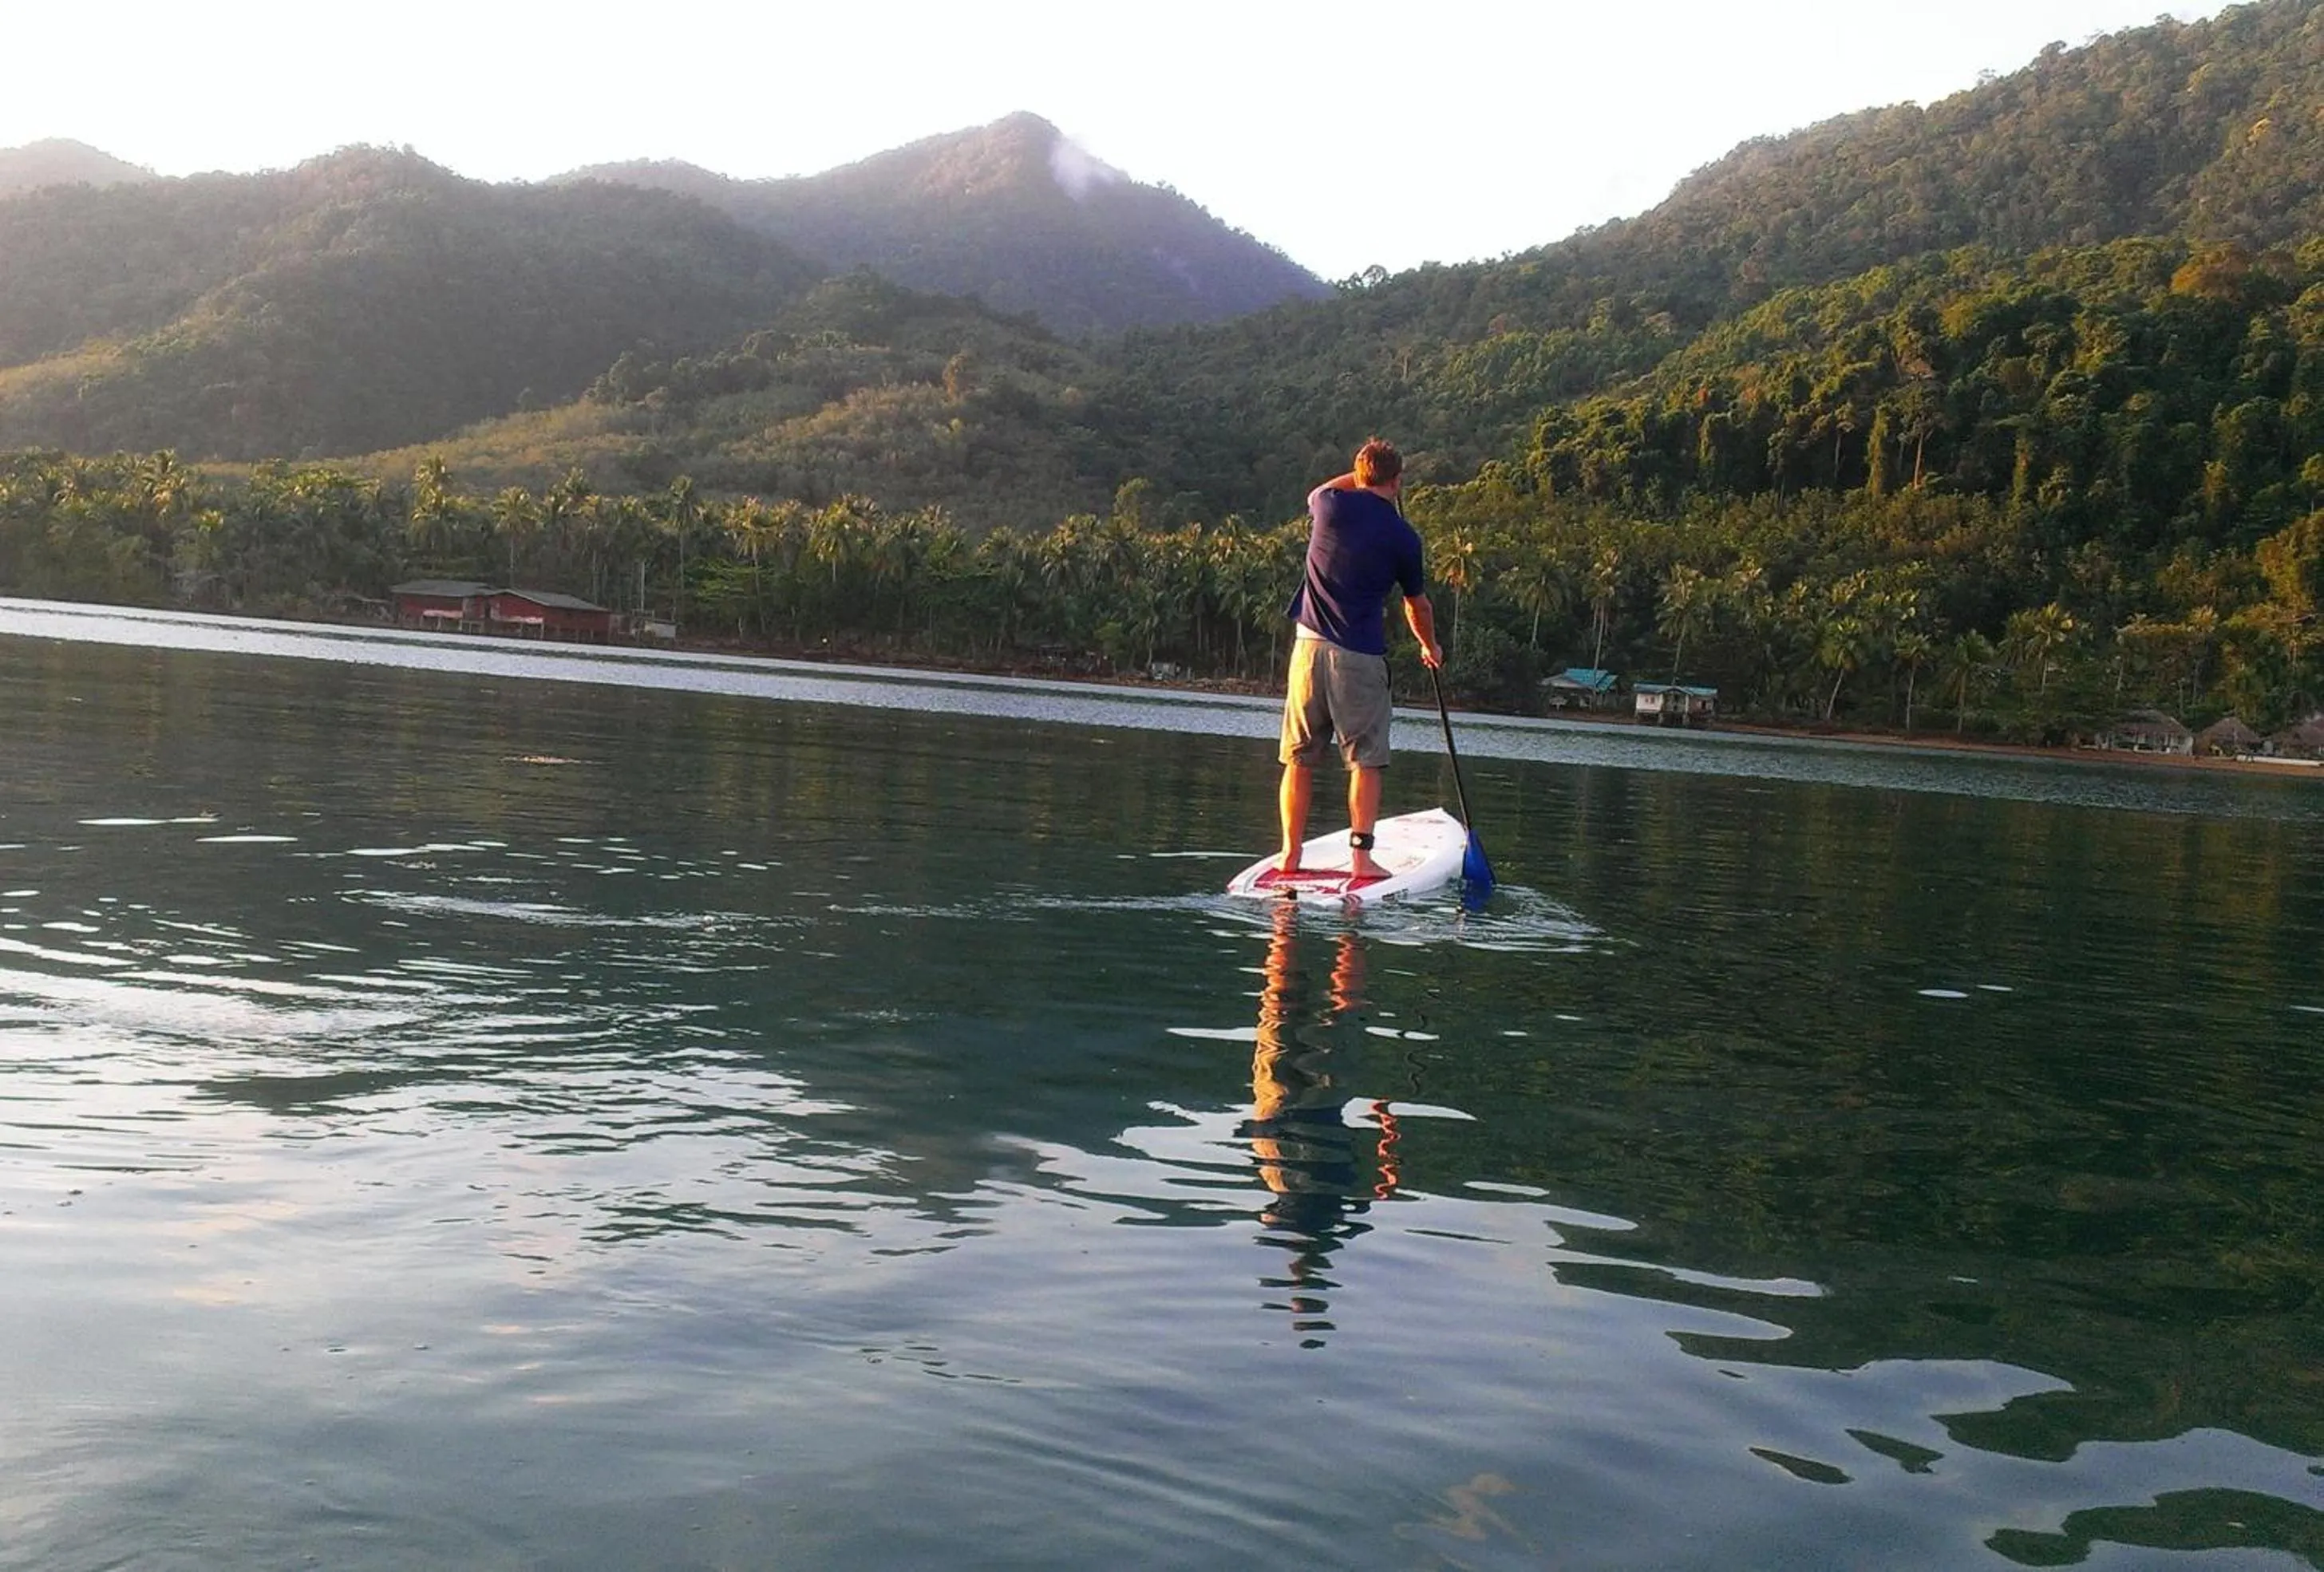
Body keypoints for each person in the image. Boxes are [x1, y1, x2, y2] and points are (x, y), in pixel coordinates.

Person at [1276, 438, 1442, 879]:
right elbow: (1417, 605)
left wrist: (1364, 476)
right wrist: (1429, 646)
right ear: (1398, 481)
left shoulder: (1329, 505)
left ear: (1358, 475)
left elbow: (1329, 486)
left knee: (1299, 758)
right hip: (1360, 657)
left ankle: (1290, 855)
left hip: (1306, 649)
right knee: (1366, 761)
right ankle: (1361, 859)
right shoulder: (1404, 537)